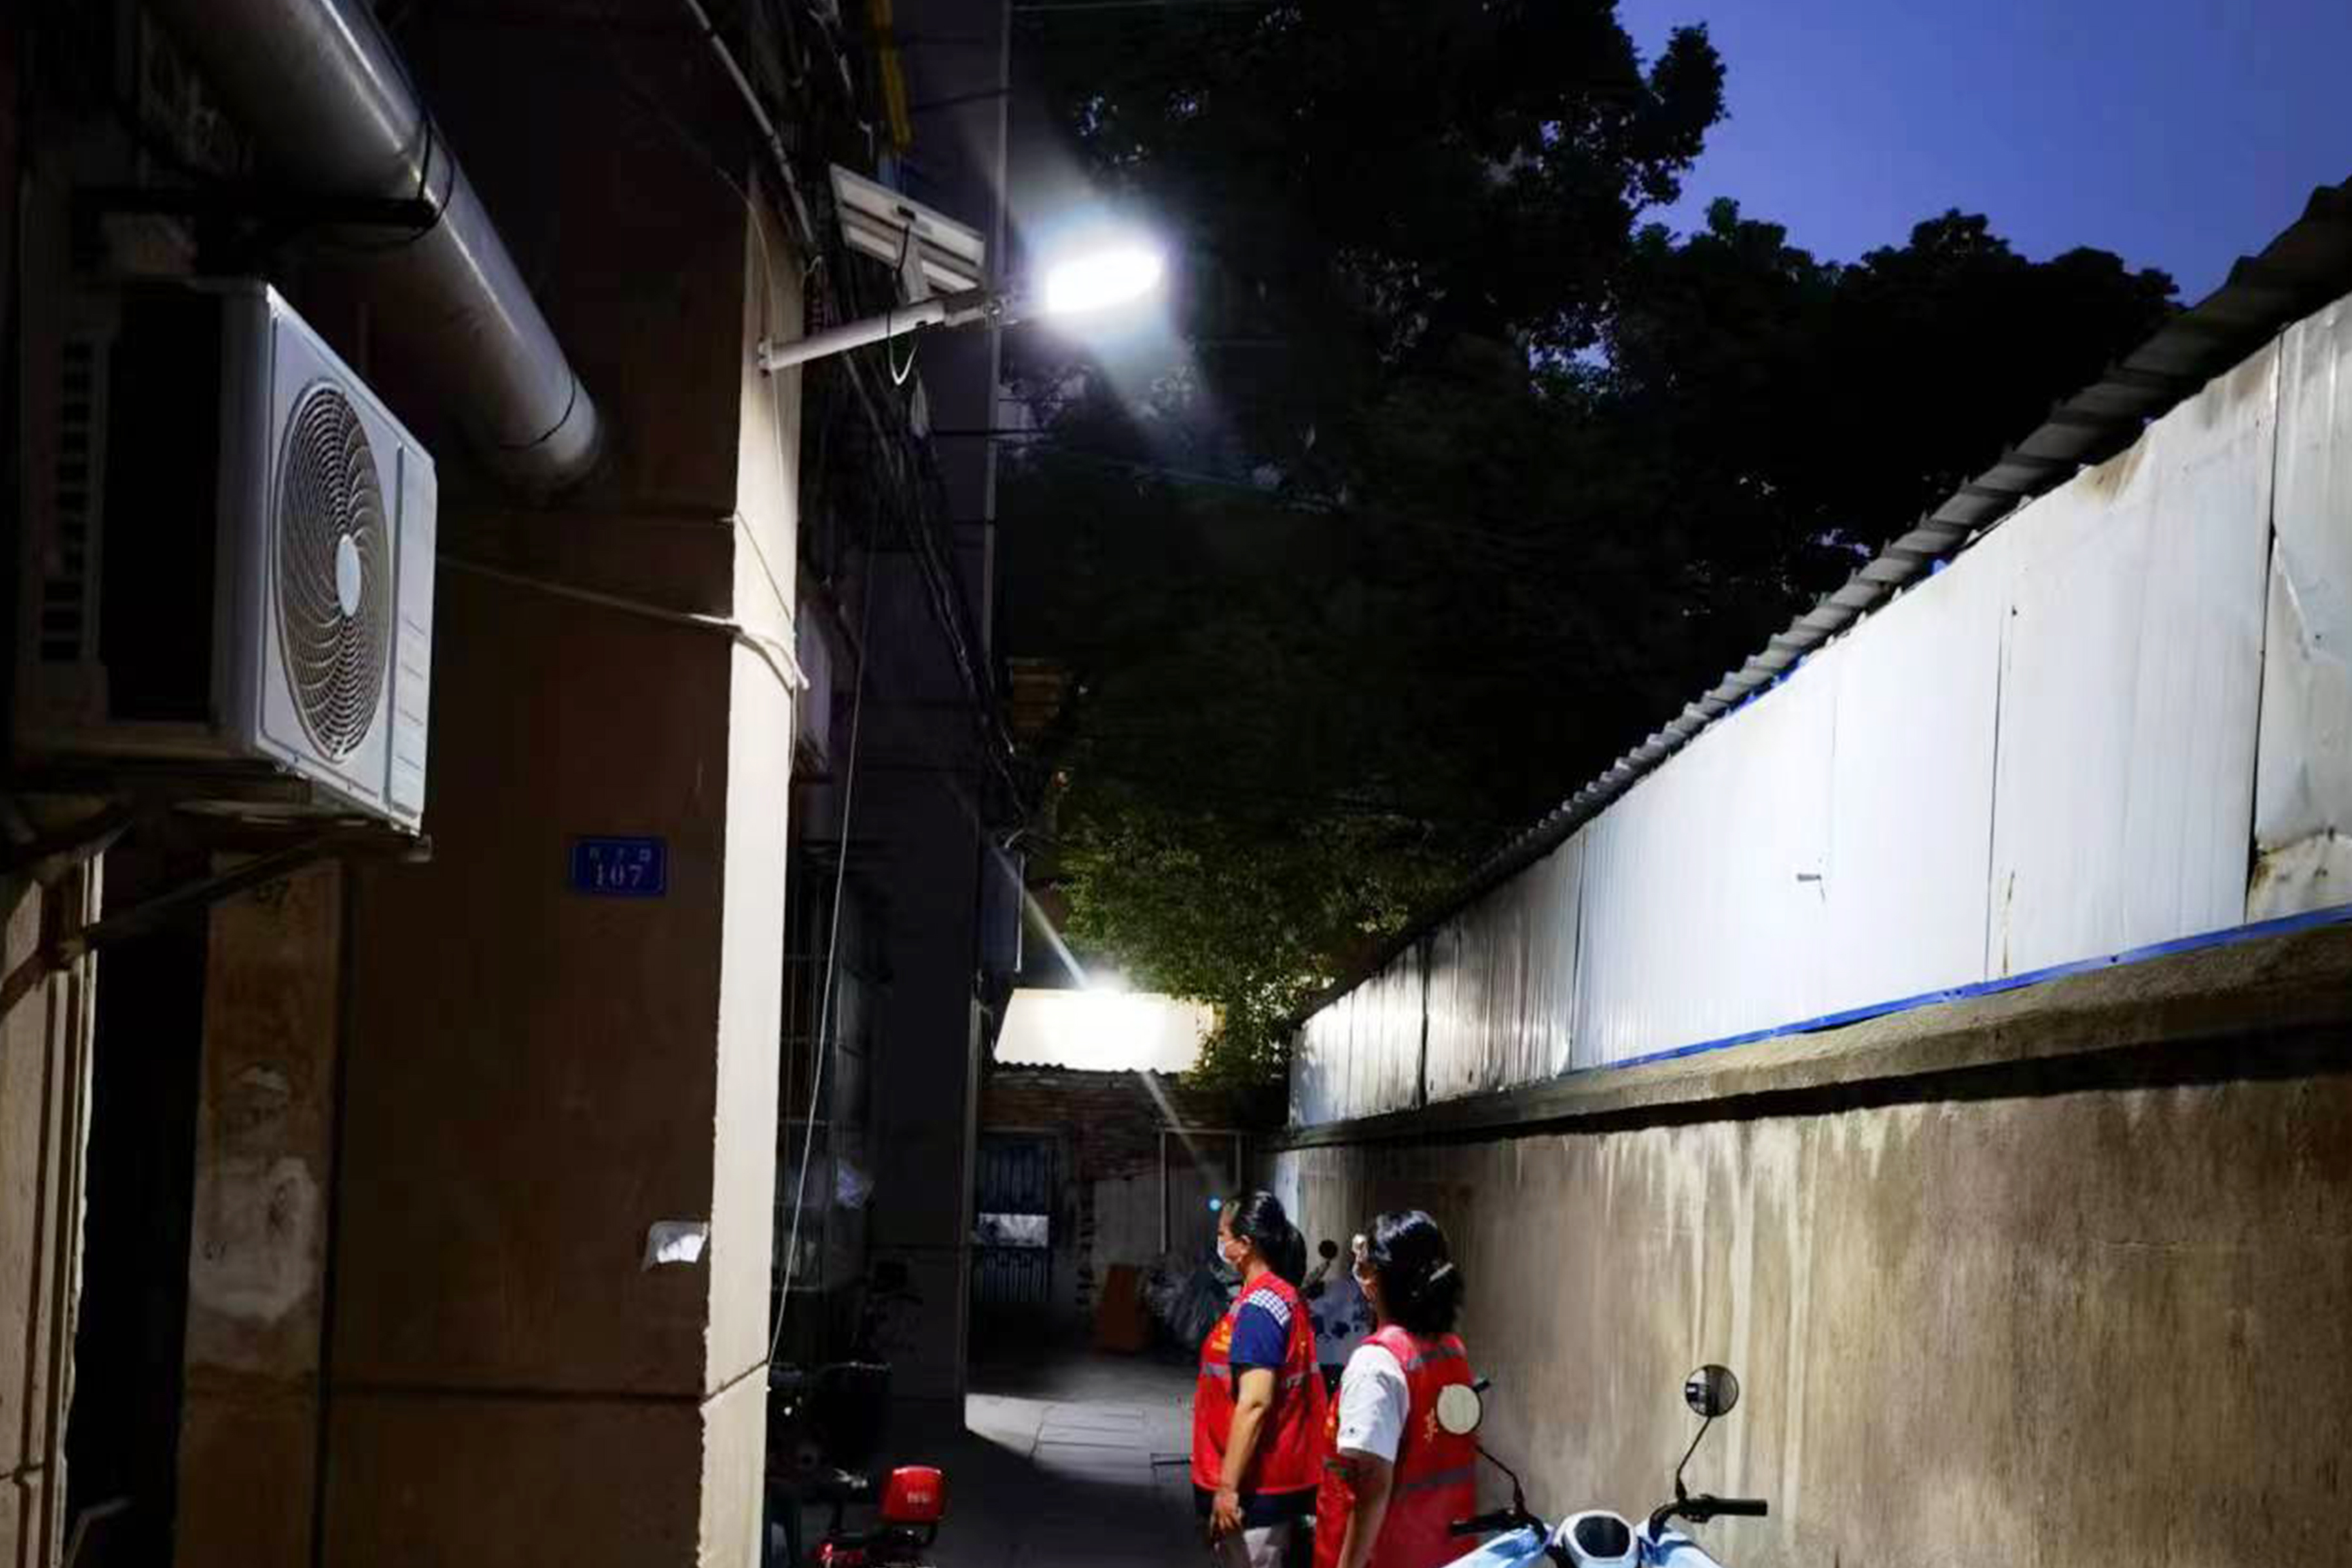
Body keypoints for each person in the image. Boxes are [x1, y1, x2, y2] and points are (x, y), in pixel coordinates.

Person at [1313, 1211, 1475, 1568]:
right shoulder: (1451, 1350)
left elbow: (1372, 1491)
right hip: (1443, 1552)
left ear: (1373, 1276)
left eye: (1364, 1261)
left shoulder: (1376, 1365)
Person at [1193, 1191, 1327, 1567]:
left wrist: (1227, 1489)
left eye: (1223, 1235)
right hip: (1272, 1478)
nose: (1220, 1243)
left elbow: (1255, 1403)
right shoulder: (1279, 1296)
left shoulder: (1260, 1310)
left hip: (1257, 1487)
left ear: (1245, 1244)